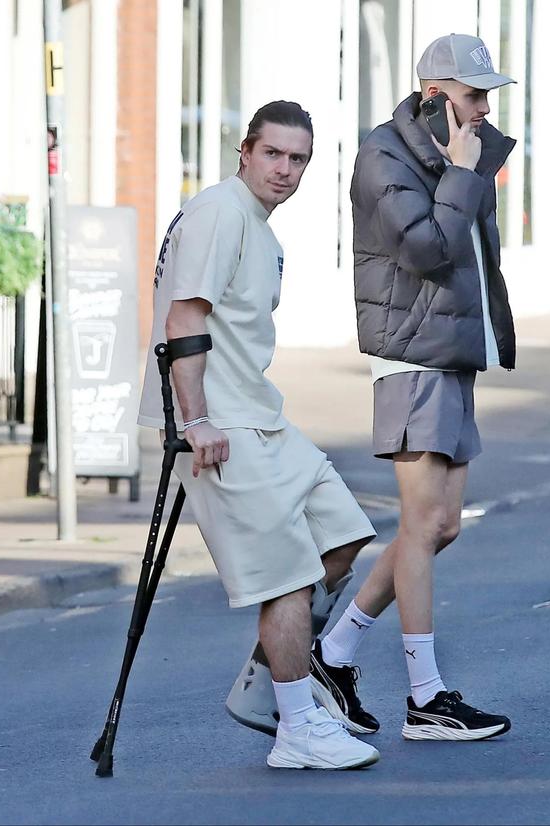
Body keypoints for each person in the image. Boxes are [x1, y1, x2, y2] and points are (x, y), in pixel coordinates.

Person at [138, 101, 379, 770]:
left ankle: (266, 682)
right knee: (288, 576)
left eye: (298, 159)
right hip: (221, 424)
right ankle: (297, 727)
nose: (285, 169)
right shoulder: (220, 212)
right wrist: (195, 422)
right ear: (244, 151)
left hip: (261, 414)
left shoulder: (260, 228)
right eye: (273, 153)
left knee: (342, 534)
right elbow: (184, 318)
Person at [308, 33, 517, 741]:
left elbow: (475, 257)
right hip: (412, 354)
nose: (483, 108)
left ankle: (335, 650)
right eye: (472, 94)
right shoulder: (384, 156)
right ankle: (426, 698)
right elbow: (428, 248)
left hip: (452, 352)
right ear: (434, 95)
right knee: (422, 526)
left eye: (487, 94)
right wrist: (461, 171)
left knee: (442, 525)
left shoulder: (458, 153)